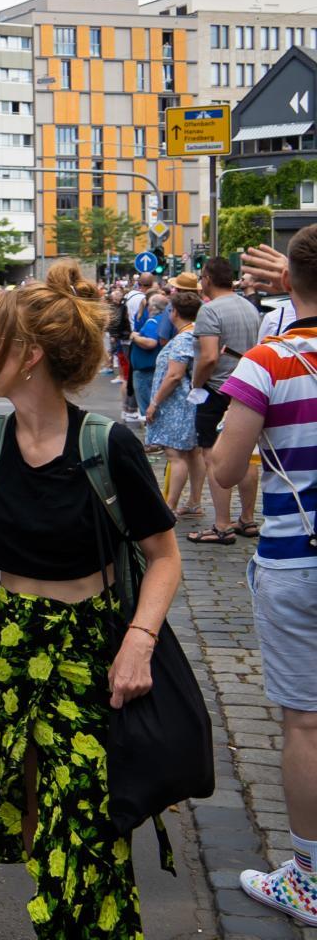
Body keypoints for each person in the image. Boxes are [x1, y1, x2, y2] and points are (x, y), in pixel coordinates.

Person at [0, 262, 181, 939]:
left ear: (27, 356)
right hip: (11, 645)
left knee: (84, 821)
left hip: (91, 647)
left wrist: (138, 642)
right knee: (20, 805)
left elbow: (164, 557)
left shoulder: (106, 445)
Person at [211, 227, 317, 929]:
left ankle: (308, 878)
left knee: (305, 722)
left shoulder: (268, 363)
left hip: (295, 560)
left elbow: (223, 469)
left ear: (286, 282)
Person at [192, 257, 263, 544]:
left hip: (217, 391)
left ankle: (222, 525)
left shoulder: (209, 311)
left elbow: (209, 356)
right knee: (247, 456)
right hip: (248, 389)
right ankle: (246, 519)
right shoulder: (249, 306)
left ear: (207, 278)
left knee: (213, 457)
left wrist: (196, 384)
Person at [145, 291, 206, 519]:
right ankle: (194, 501)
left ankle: (169, 505)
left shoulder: (182, 339)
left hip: (177, 405)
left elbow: (174, 375)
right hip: (190, 402)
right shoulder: (196, 334)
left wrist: (154, 403)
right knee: (193, 453)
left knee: (175, 455)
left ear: (174, 313)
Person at [127, 291, 170, 430]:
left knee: (147, 407)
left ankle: (152, 440)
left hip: (146, 370)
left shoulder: (153, 321)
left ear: (152, 307)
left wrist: (135, 337)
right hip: (153, 368)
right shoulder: (164, 319)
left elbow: (151, 342)